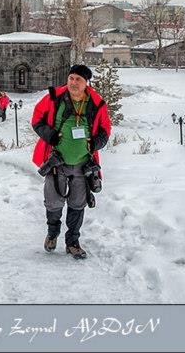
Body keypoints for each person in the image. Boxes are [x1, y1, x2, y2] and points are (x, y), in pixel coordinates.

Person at [31, 64, 111, 260]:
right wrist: (49, 135)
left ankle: (73, 242)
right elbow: (36, 118)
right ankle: (52, 233)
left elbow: (105, 129)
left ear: (86, 83)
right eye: (71, 78)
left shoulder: (96, 103)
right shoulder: (53, 97)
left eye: (78, 80)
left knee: (77, 204)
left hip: (83, 165)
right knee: (53, 203)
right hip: (56, 162)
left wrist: (96, 143)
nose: (73, 83)